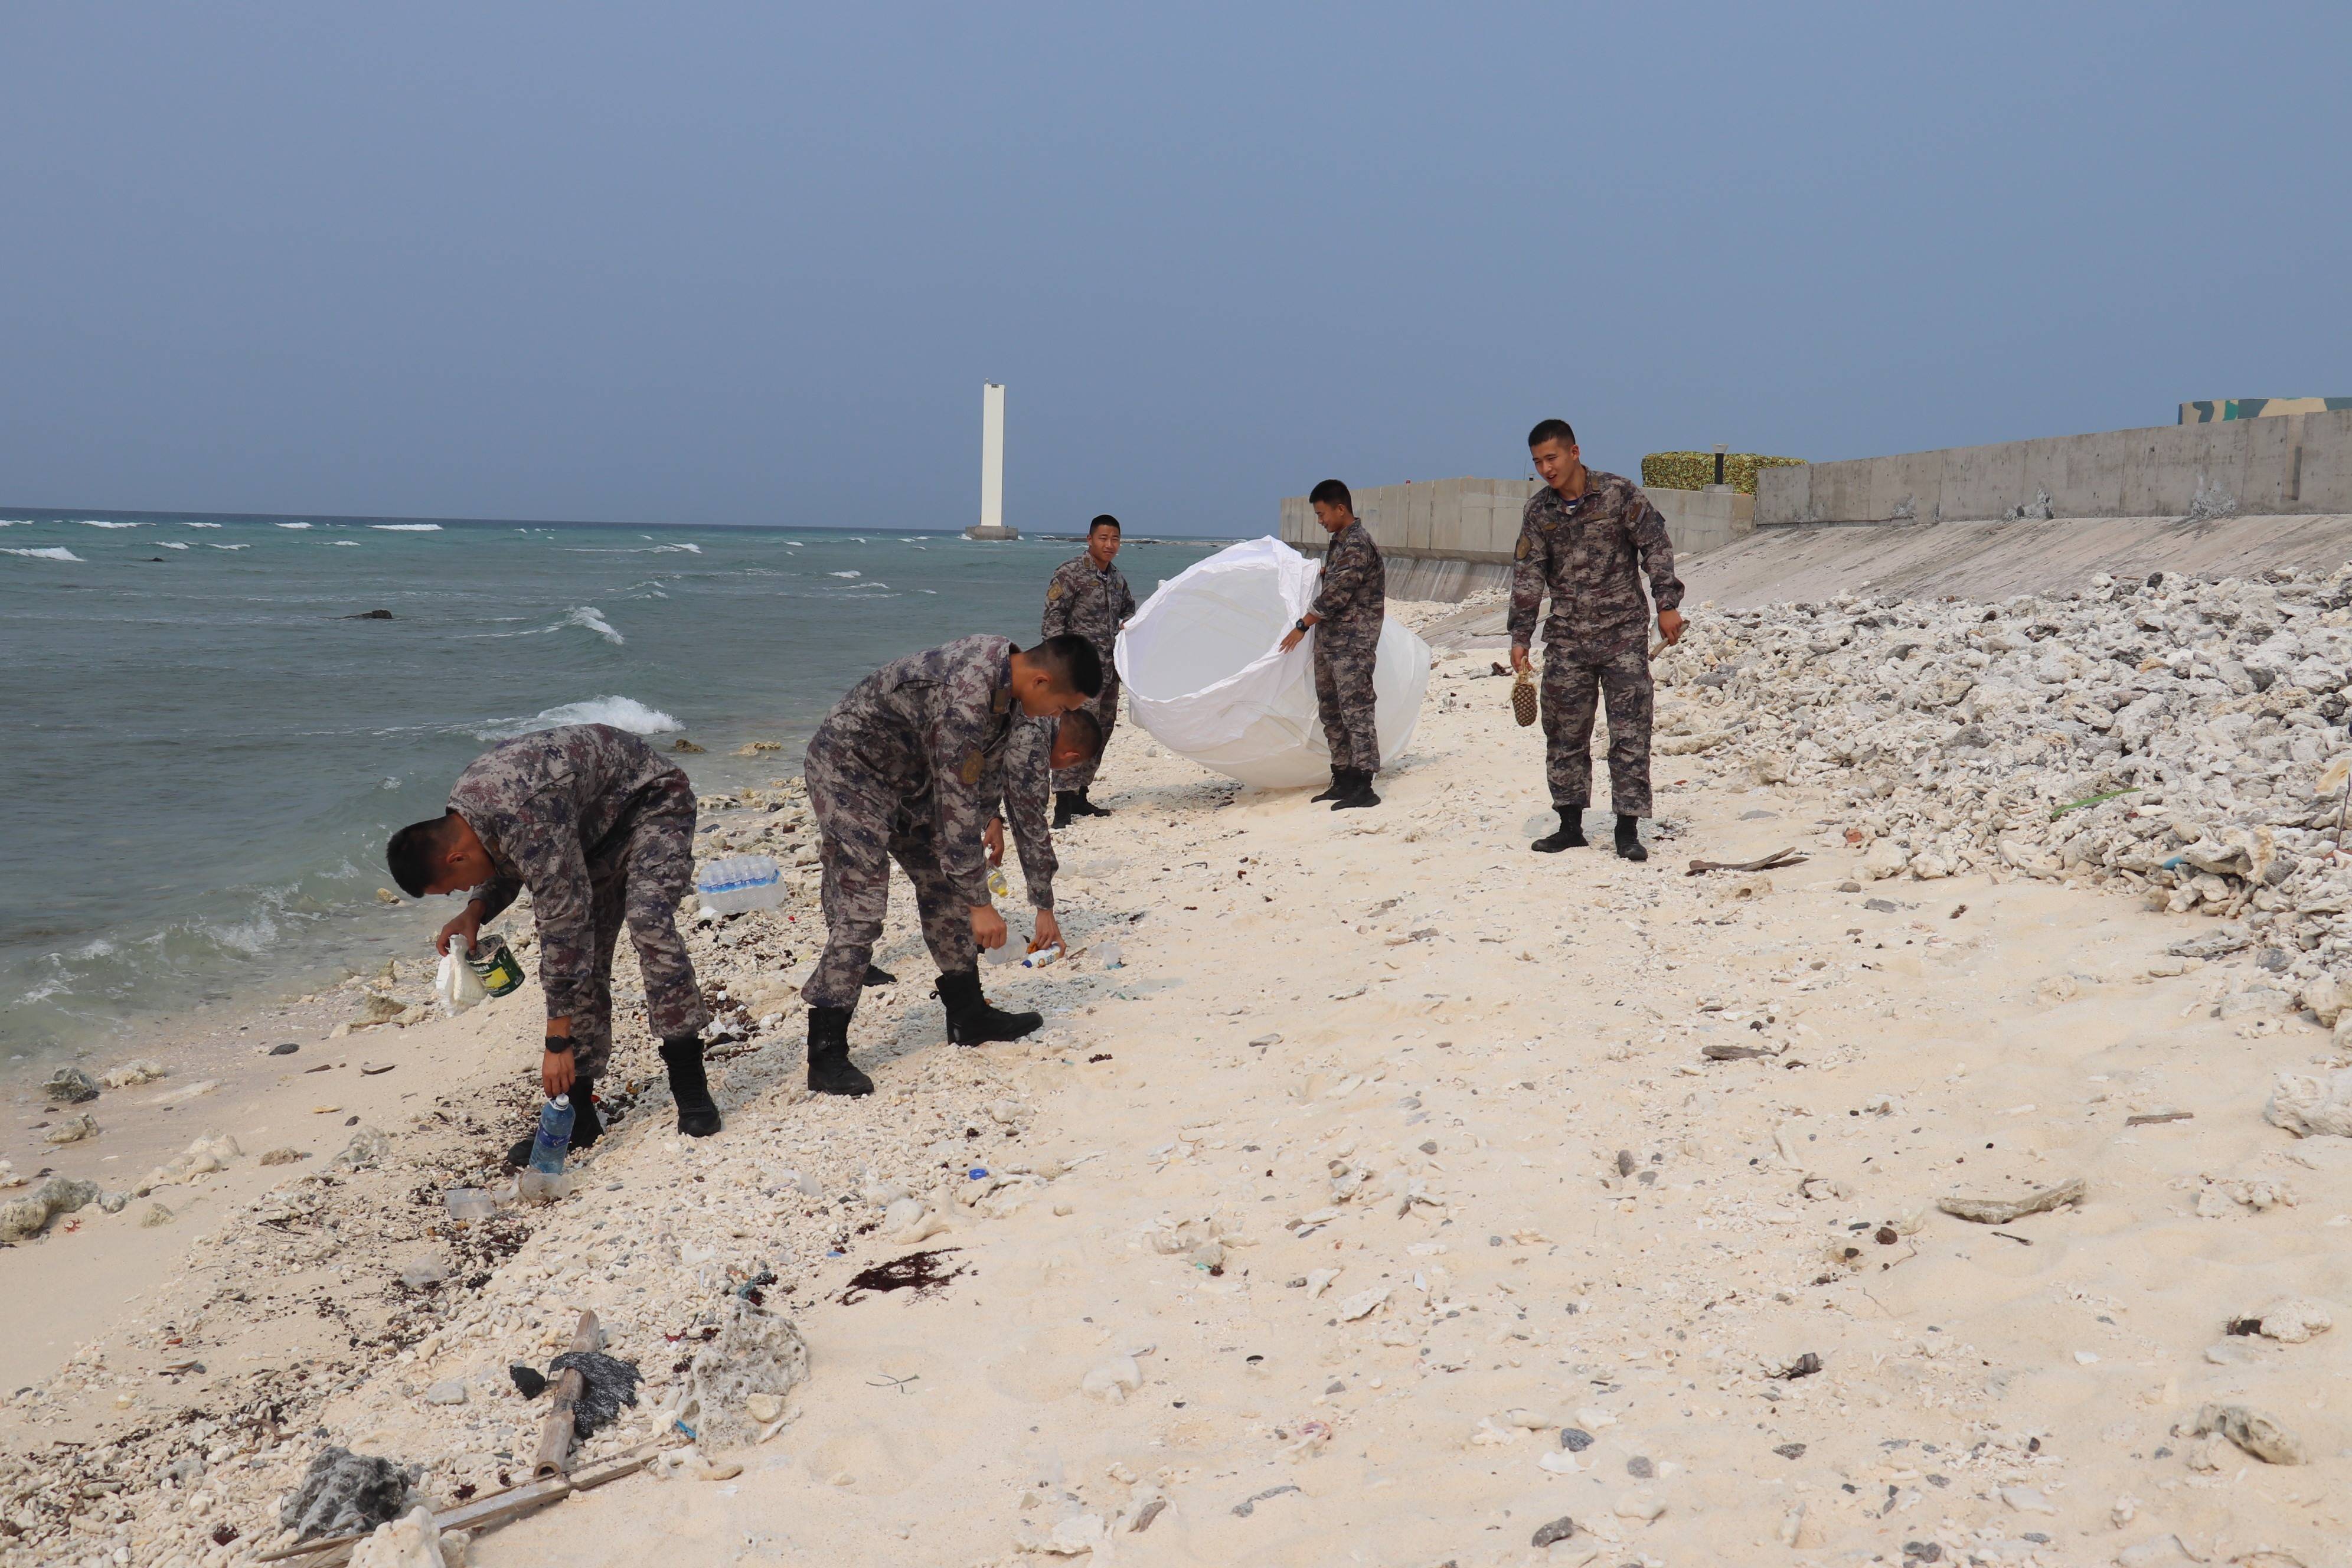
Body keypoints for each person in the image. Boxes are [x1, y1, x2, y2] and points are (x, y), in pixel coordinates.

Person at [385, 724, 717, 1167]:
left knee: (648, 924)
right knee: (587, 960)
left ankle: (690, 1084)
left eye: (453, 887)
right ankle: (578, 1116)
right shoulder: (469, 816)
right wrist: (476, 909)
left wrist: (557, 1043)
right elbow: (510, 860)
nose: (457, 892)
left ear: (455, 857)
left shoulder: (522, 813)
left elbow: (563, 924)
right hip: (589, 834)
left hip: (651, 805)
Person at [800, 633, 1101, 1097]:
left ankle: (969, 1016)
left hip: (909, 777)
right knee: (863, 908)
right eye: (1061, 707)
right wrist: (981, 904)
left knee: (945, 885)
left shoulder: (1013, 694)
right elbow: (956, 803)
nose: (1056, 717)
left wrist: (983, 868)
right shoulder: (969, 693)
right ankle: (825, 1053)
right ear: (1042, 681)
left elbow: (979, 784)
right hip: (850, 772)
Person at [1508, 419, 1685, 861]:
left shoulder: (1619, 494)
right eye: (1537, 462)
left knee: (1629, 732)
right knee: (1564, 733)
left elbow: (1655, 545)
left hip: (1622, 634)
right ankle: (1570, 826)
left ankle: (1628, 829)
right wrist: (1520, 635)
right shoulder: (1538, 512)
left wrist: (1667, 603)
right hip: (1567, 639)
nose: (1546, 469)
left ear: (1574, 452)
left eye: (1551, 458)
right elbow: (1528, 575)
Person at [1278, 479, 1386, 809]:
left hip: (1353, 644)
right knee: (1332, 710)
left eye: (1322, 514)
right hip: (1331, 643)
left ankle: (1364, 784)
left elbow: (1338, 593)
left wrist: (1302, 625)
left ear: (1341, 509)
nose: (1320, 520)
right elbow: (1335, 580)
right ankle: (1343, 777)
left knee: (1356, 710)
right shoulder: (1340, 543)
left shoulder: (1357, 543)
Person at [1040, 515, 1136, 828]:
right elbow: (1053, 621)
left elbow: (1128, 610)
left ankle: (1081, 795)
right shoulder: (1070, 573)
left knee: (1100, 732)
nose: (1109, 545)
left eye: (1115, 539)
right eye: (1103, 538)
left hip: (1109, 673)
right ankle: (1062, 804)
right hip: (1078, 673)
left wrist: (1127, 625)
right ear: (1090, 539)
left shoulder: (1117, 579)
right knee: (1073, 732)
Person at [983, 710, 1103, 946]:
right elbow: (1031, 827)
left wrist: (992, 819)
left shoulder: (1037, 714)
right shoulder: (1033, 739)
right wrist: (1045, 909)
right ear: (1071, 756)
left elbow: (989, 761)